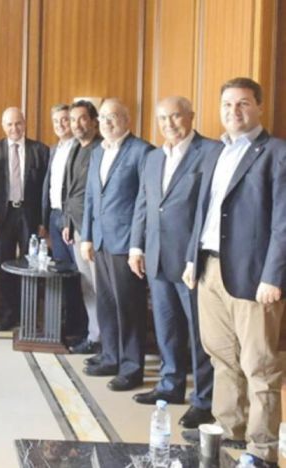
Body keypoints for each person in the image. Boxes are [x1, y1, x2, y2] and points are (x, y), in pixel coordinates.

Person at [182, 78, 285, 466]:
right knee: (222, 358)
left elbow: (283, 222)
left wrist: (273, 276)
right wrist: (192, 260)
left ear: (259, 106)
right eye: (227, 104)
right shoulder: (216, 152)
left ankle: (261, 450)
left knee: (260, 366)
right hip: (210, 270)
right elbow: (203, 212)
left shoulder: (276, 153)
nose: (234, 111)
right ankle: (229, 434)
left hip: (254, 277)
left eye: (242, 103)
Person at [128, 96, 214, 429]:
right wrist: (136, 246)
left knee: (198, 331)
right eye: (162, 118)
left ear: (191, 116)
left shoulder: (210, 152)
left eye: (175, 116)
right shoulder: (152, 157)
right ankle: (170, 384)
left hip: (190, 260)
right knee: (166, 326)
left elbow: (208, 209)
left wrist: (195, 256)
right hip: (156, 255)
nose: (169, 124)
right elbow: (144, 203)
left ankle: (203, 399)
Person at [80, 98, 153, 391]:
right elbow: (90, 196)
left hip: (125, 243)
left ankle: (132, 368)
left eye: (113, 116)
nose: (107, 122)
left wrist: (137, 245)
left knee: (129, 307)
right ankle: (110, 357)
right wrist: (87, 236)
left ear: (127, 119)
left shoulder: (142, 151)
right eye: (103, 117)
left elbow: (144, 202)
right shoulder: (98, 151)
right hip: (100, 240)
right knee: (107, 304)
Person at [0, 107, 48, 331]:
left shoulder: (40, 150)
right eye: (10, 124)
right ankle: (7, 314)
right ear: (3, 126)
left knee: (31, 265)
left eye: (18, 123)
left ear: (25, 123)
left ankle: (29, 315)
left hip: (30, 215)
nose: (14, 128)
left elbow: (45, 189)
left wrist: (44, 221)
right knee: (5, 265)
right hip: (3, 216)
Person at [56, 100, 102, 354]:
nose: (76, 124)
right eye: (73, 120)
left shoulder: (100, 149)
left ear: (94, 121)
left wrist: (89, 233)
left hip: (93, 231)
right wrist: (67, 222)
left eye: (82, 119)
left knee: (99, 287)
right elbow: (69, 190)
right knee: (87, 286)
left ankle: (105, 340)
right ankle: (94, 336)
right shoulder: (75, 148)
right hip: (76, 227)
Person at [41, 104, 87, 344]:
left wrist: (68, 219)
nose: (60, 125)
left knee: (80, 275)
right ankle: (69, 324)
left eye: (64, 120)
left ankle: (84, 328)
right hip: (55, 217)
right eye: (56, 121)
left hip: (73, 220)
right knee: (62, 274)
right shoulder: (53, 149)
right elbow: (48, 187)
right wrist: (44, 222)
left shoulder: (81, 149)